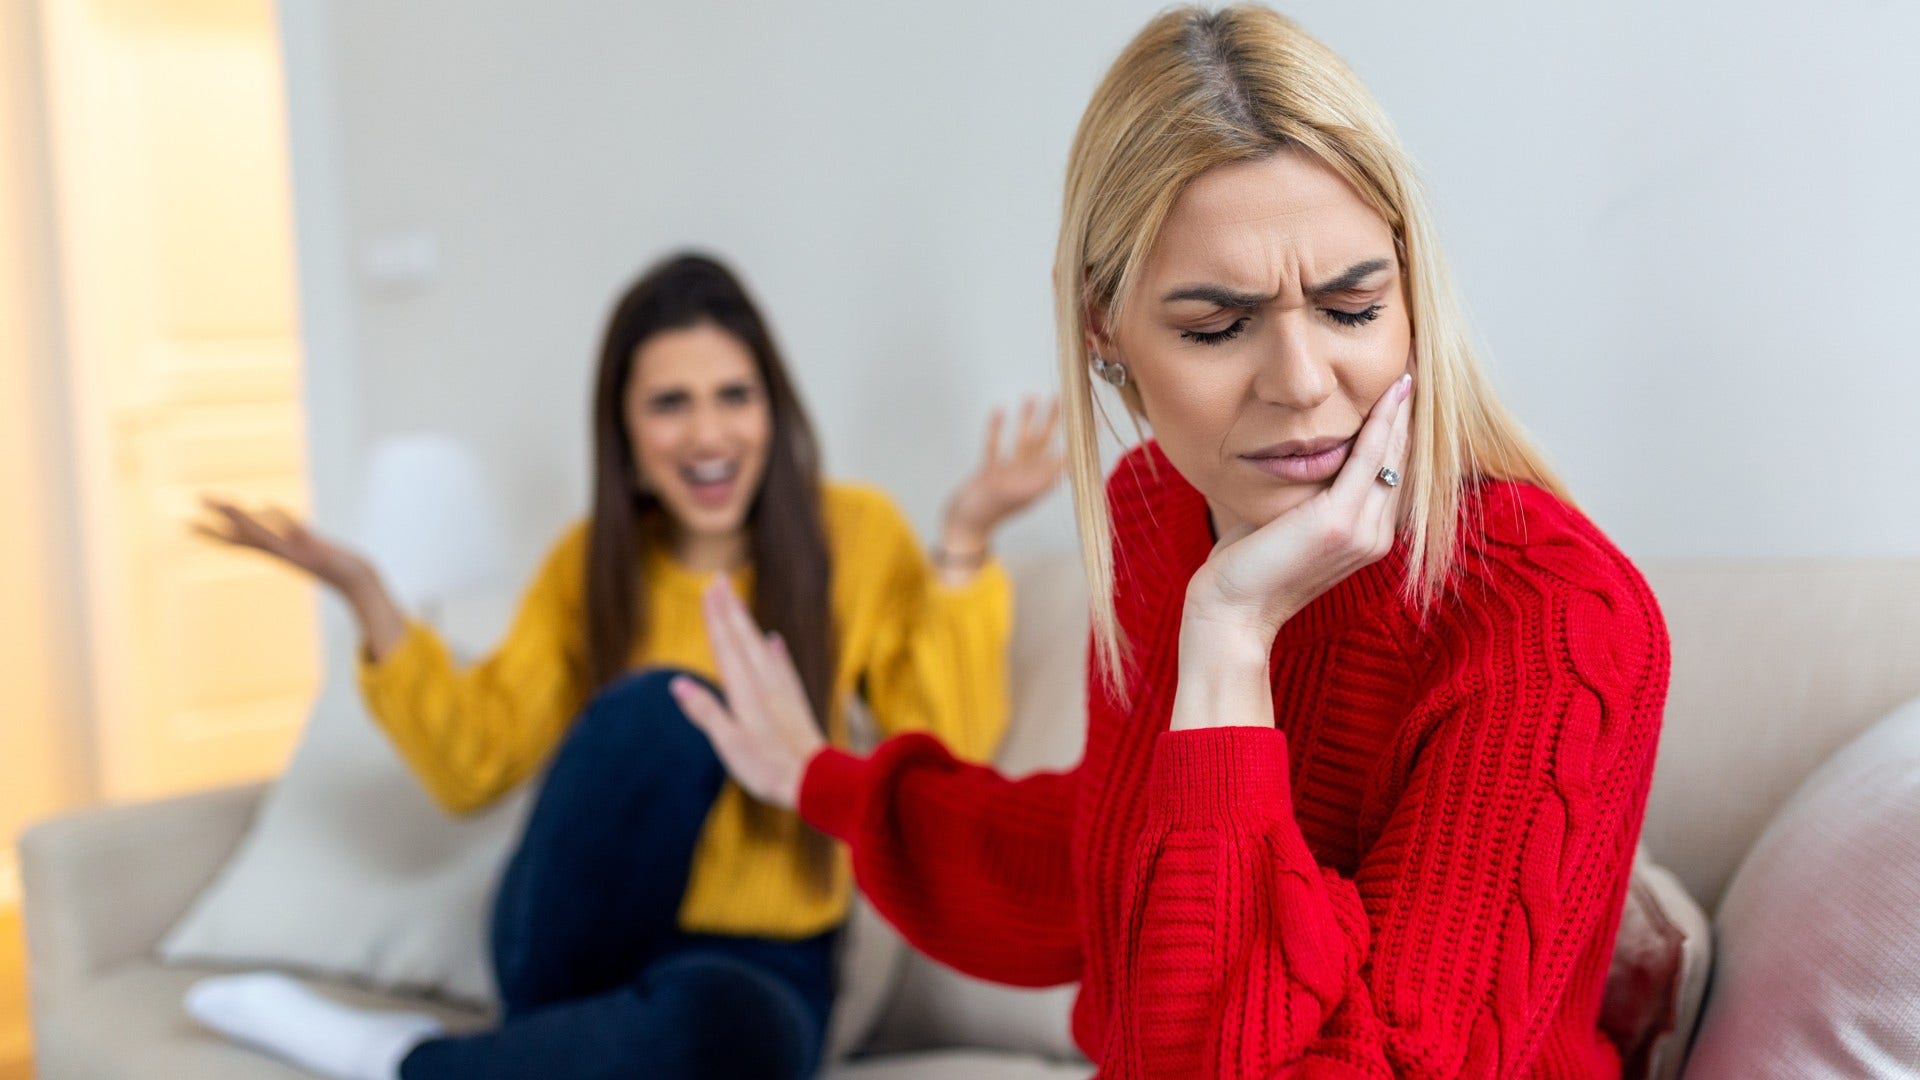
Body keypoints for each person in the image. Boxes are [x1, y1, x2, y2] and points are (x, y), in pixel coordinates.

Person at [672, 8, 1672, 1078]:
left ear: (1413, 292)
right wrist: (825, 781)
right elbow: (1104, 860)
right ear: (1104, 328)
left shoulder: (1552, 619)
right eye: (1216, 326)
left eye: (1351, 307)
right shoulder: (1154, 508)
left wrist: (1232, 635)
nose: (1299, 381)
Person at [183, 253, 1064, 1079]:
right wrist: (369, 598)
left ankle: (409, 1060)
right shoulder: (589, 563)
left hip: (762, 961)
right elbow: (471, 763)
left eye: (734, 395)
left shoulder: (856, 537)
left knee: (724, 1031)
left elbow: (947, 744)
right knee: (665, 711)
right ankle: (550, 1045)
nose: (708, 431)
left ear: (773, 410)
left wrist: (965, 542)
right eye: (670, 403)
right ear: (627, 432)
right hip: (576, 949)